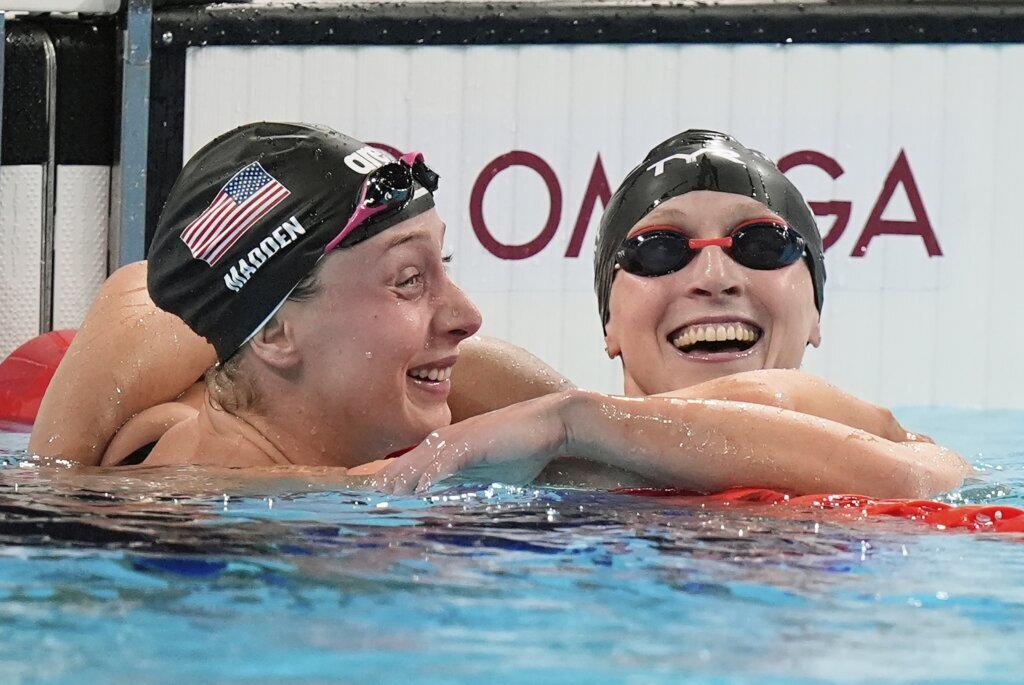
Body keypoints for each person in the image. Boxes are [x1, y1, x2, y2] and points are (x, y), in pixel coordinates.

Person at [376, 130, 970, 497]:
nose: (714, 278)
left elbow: (920, 477)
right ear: (608, 323)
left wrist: (574, 422)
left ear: (815, 309)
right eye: (658, 251)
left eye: (761, 245)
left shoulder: (895, 447)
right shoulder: (509, 417)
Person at [28, 122, 570, 470]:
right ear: (274, 333)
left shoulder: (182, 427)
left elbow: (154, 295)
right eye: (408, 279)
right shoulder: (191, 525)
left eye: (442, 265)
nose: (467, 316)